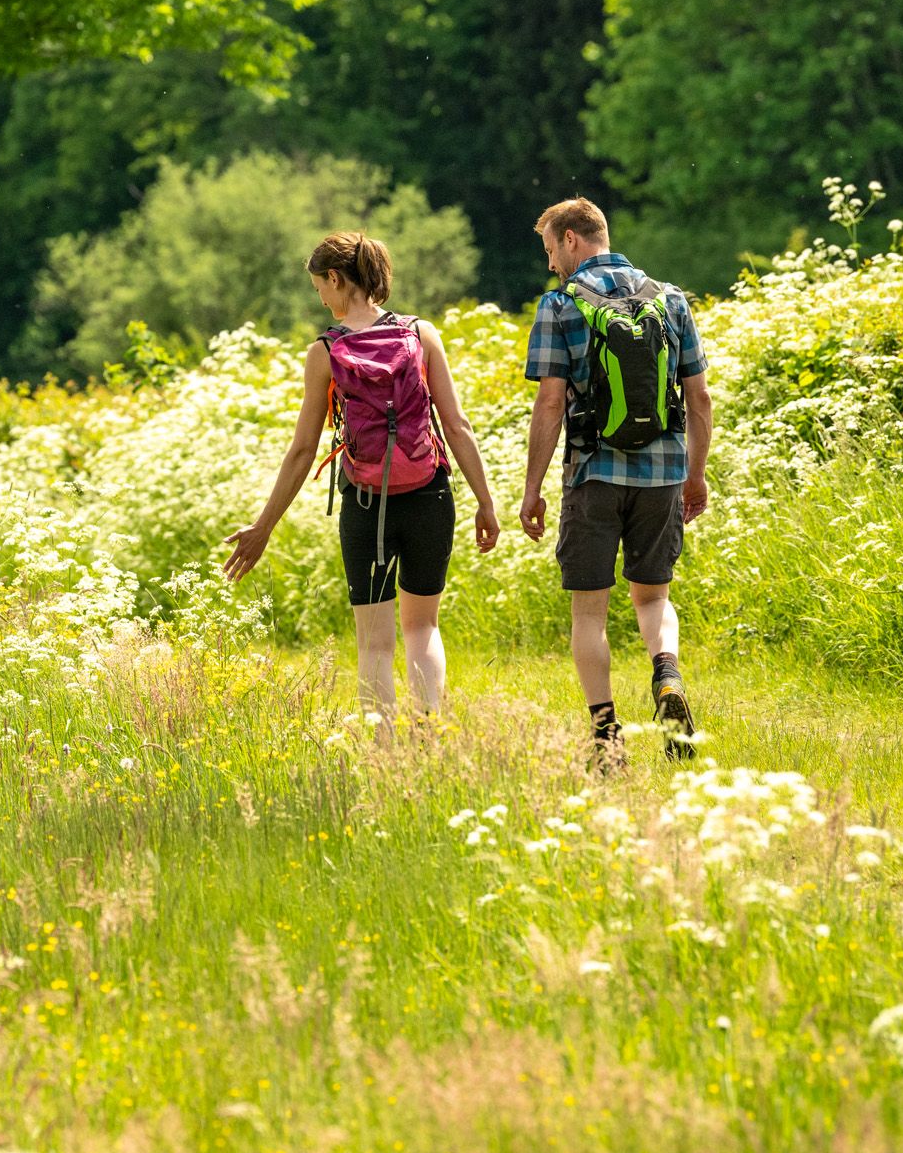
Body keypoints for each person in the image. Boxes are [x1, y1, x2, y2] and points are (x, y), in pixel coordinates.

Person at [224, 230, 502, 719]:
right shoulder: (421, 334)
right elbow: (457, 426)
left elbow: (303, 450)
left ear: (335, 277)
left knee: (374, 643)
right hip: (430, 495)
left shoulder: (325, 351)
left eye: (319, 287)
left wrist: (263, 527)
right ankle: (429, 731)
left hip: (366, 503)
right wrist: (486, 501)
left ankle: (383, 749)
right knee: (423, 628)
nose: (321, 298)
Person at [517, 198, 713, 764]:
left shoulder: (560, 305)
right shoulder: (670, 298)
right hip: (663, 475)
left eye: (550, 249)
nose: (550, 262)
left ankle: (606, 738)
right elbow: (699, 398)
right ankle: (667, 675)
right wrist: (694, 475)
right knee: (653, 597)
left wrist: (532, 489)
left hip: (592, 474)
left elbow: (549, 404)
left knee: (589, 612)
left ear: (572, 239)